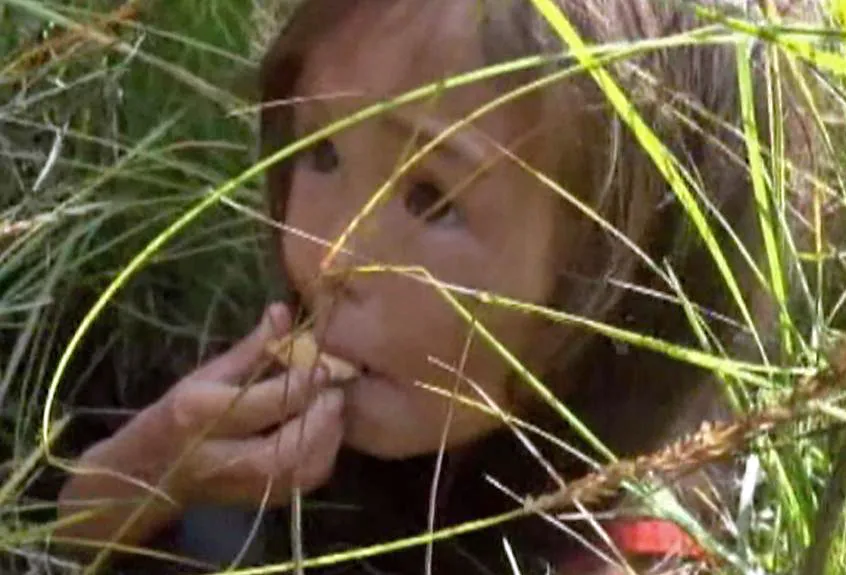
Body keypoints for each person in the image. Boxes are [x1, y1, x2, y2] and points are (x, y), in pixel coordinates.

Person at [54, 0, 807, 572]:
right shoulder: (277, 415)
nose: (327, 253)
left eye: (430, 199)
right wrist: (127, 485)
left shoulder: (620, 553)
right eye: (320, 150)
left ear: (626, 284)